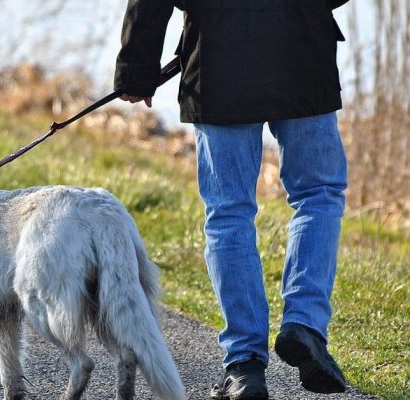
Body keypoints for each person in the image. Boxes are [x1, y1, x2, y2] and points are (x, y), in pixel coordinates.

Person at [114, 0, 350, 399]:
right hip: (302, 53)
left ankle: (244, 366)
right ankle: (305, 323)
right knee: (318, 194)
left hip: (218, 61)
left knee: (228, 214)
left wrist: (137, 70)